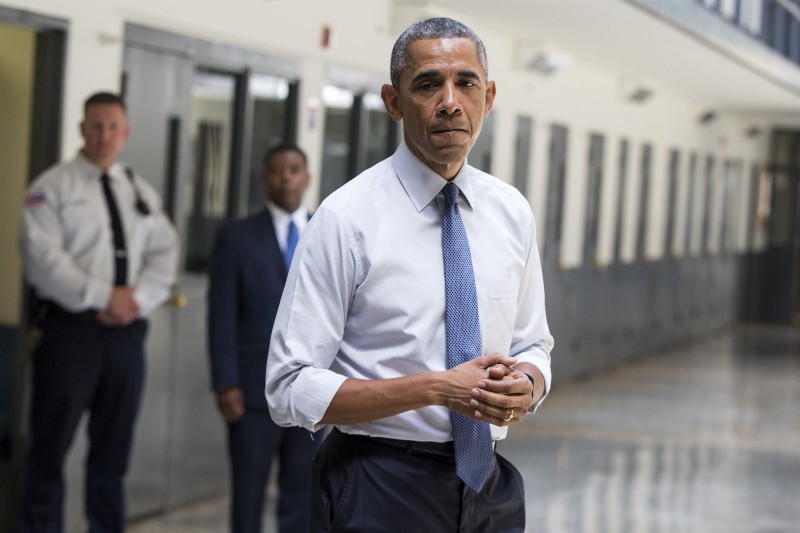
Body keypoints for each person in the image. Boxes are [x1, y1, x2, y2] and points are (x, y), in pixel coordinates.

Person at [265, 17, 553, 533]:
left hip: (489, 485)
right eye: (427, 84)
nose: (449, 101)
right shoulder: (345, 220)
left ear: (487, 97)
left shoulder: (511, 212)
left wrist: (528, 385)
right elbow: (289, 387)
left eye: (465, 83)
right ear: (393, 101)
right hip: (377, 484)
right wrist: (438, 389)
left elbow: (534, 344)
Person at [18, 91, 179, 532]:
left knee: (113, 452)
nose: (104, 136)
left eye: (113, 127)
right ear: (81, 129)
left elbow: (165, 252)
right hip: (71, 334)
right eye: (95, 126)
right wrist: (102, 295)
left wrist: (138, 301)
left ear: (125, 133)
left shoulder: (138, 190)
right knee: (50, 449)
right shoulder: (51, 188)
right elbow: (42, 261)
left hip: (126, 337)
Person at [208, 143, 320, 533]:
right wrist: (226, 382)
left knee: (302, 492)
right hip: (252, 393)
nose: (286, 177)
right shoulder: (237, 238)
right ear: (264, 179)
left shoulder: (326, 234)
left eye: (294, 169)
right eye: (277, 170)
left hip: (313, 389)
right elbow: (221, 315)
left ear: (306, 178)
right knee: (248, 493)